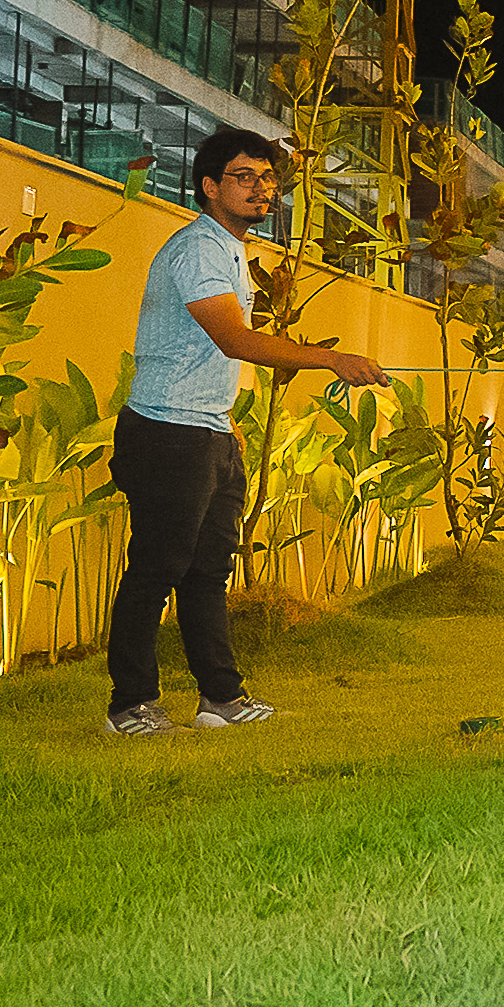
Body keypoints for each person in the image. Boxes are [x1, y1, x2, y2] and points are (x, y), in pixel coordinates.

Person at [103, 128, 389, 735]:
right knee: (156, 570)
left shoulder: (230, 249)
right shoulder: (198, 250)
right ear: (210, 186)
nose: (262, 188)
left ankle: (221, 700)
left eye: (267, 178)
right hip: (167, 432)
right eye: (244, 177)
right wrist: (333, 359)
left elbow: (217, 354)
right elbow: (234, 339)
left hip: (209, 433)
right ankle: (130, 706)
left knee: (208, 573)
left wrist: (227, 427)